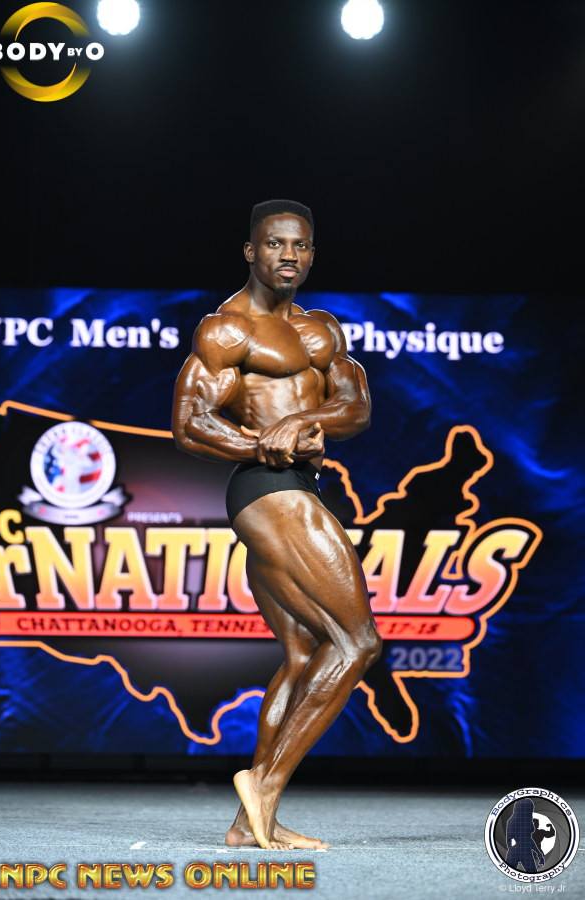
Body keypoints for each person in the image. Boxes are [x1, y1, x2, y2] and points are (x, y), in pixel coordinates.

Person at [172, 199, 382, 850]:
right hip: (268, 490)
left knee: (302, 655)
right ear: (251, 252)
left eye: (300, 245)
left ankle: (249, 824)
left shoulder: (323, 330)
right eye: (274, 244)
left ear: (311, 255)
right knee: (357, 642)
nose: (288, 255)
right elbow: (190, 423)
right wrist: (265, 444)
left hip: (292, 488)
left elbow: (355, 406)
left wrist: (304, 421)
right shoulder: (227, 330)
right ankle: (262, 784)